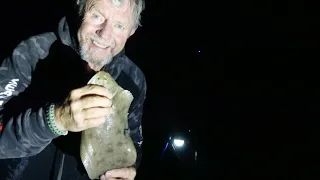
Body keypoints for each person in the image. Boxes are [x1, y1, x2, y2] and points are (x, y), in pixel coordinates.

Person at [0, 0, 146, 179]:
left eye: (119, 25)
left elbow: (134, 140)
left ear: (131, 32)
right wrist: (55, 119)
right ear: (80, 9)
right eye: (97, 16)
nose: (105, 34)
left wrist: (127, 168)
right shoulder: (33, 52)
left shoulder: (134, 79)